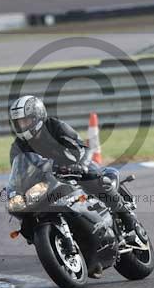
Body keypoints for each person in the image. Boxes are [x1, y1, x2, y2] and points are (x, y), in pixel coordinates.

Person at [8, 95, 138, 237]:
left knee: (97, 179)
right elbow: (19, 171)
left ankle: (125, 215)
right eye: (18, 123)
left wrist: (81, 165)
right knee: (26, 210)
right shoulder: (18, 146)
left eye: (25, 121)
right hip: (47, 179)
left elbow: (83, 148)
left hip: (74, 167)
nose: (22, 126)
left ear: (36, 117)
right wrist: (13, 189)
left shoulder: (56, 126)